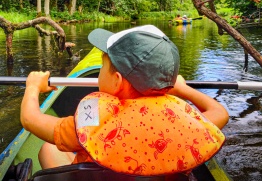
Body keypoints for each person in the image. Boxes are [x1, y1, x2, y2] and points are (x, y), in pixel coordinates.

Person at [21, 25, 229, 177]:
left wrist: (33, 87)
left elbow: (30, 119)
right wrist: (183, 89)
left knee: (50, 147)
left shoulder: (93, 123)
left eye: (103, 67)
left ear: (117, 80)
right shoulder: (187, 123)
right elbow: (220, 113)